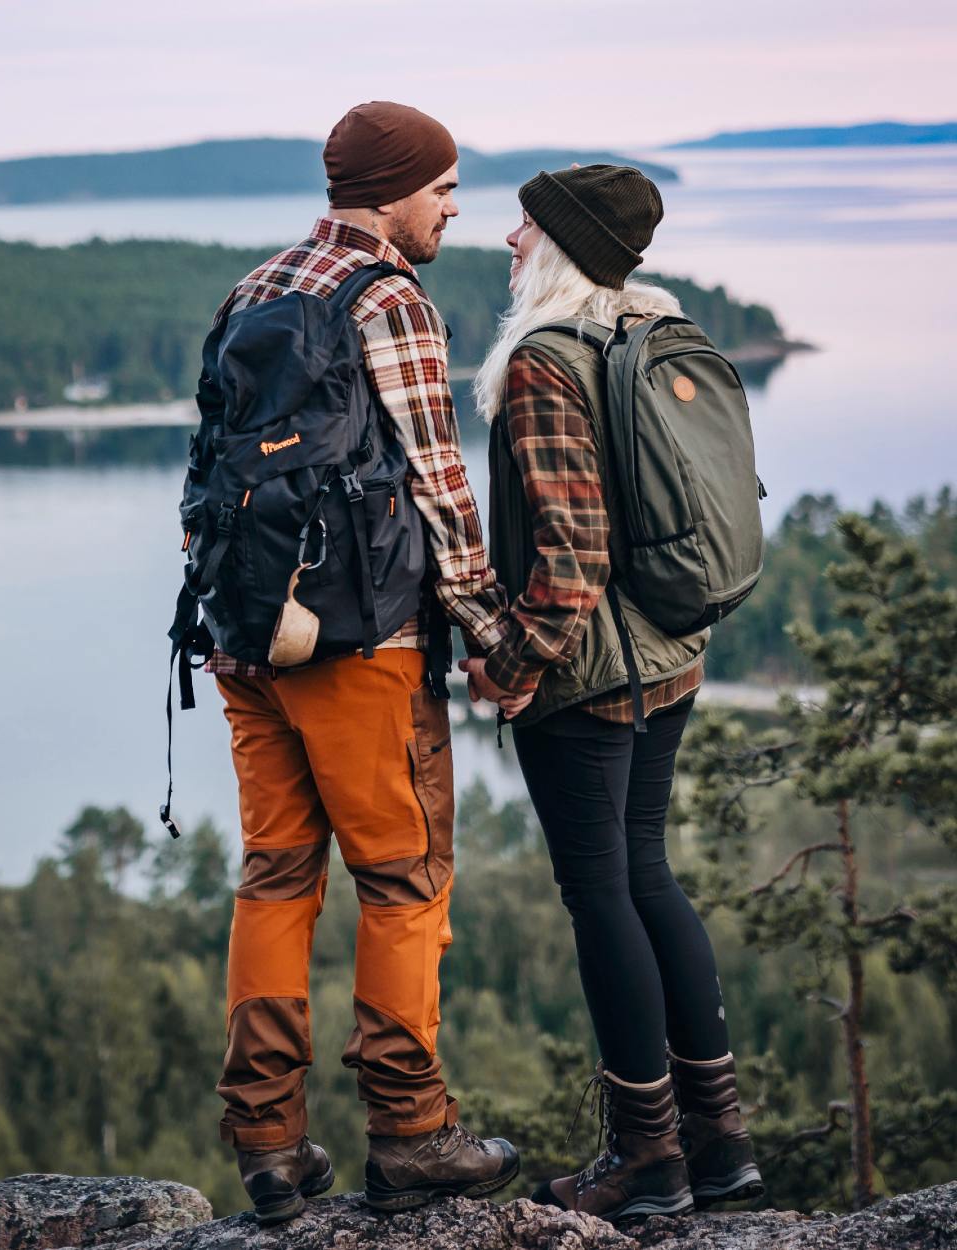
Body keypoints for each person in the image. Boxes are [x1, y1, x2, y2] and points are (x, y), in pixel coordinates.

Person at [206, 101, 523, 1223]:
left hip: (248, 638)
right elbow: (439, 482)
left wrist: (239, 614)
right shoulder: (388, 295)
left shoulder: (258, 285)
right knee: (401, 875)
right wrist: (492, 633)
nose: (451, 205)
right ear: (390, 190)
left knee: (277, 874)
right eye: (440, 186)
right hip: (361, 643)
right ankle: (412, 1129)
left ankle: (267, 1137)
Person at [461, 164, 763, 1224]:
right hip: (670, 657)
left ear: (562, 245)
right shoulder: (649, 328)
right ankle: (717, 1138)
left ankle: (646, 1155)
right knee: (649, 877)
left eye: (525, 225)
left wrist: (508, 661)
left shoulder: (547, 359)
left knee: (602, 894)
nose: (507, 240)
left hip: (588, 678)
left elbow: (573, 552)